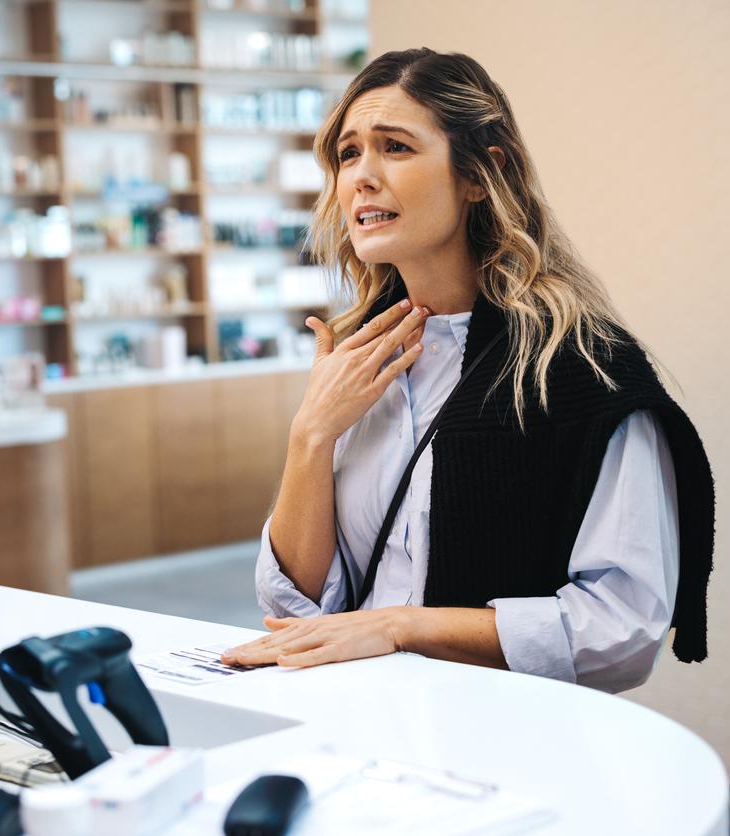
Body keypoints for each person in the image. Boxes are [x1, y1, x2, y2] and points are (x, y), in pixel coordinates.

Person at [221, 48, 713, 694]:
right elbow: (294, 610)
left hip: (508, 754)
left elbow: (621, 629)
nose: (361, 177)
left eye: (393, 147)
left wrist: (402, 626)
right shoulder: (353, 361)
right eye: (347, 154)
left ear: (480, 172)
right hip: (359, 726)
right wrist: (310, 436)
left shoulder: (585, 373)